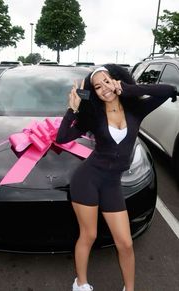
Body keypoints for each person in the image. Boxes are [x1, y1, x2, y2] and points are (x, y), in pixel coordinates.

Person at [56, 64, 177, 291]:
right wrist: (71, 109)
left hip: (111, 184)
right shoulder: (93, 115)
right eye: (97, 86)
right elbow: (62, 138)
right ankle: (80, 283)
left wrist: (127, 89)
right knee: (89, 235)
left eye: (107, 81)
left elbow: (169, 90)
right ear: (94, 92)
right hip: (87, 180)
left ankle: (129, 288)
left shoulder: (136, 109)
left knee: (125, 243)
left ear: (117, 80)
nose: (104, 89)